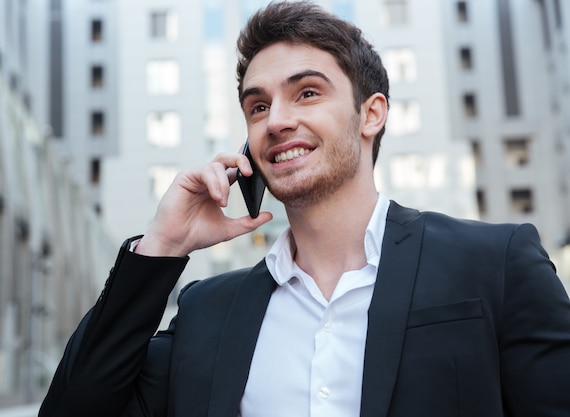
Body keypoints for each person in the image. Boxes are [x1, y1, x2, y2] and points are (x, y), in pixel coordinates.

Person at [39, 2, 570, 416]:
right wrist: (161, 248)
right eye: (258, 106)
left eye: (308, 93)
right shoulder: (208, 312)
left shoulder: (496, 264)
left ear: (371, 114)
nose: (275, 121)